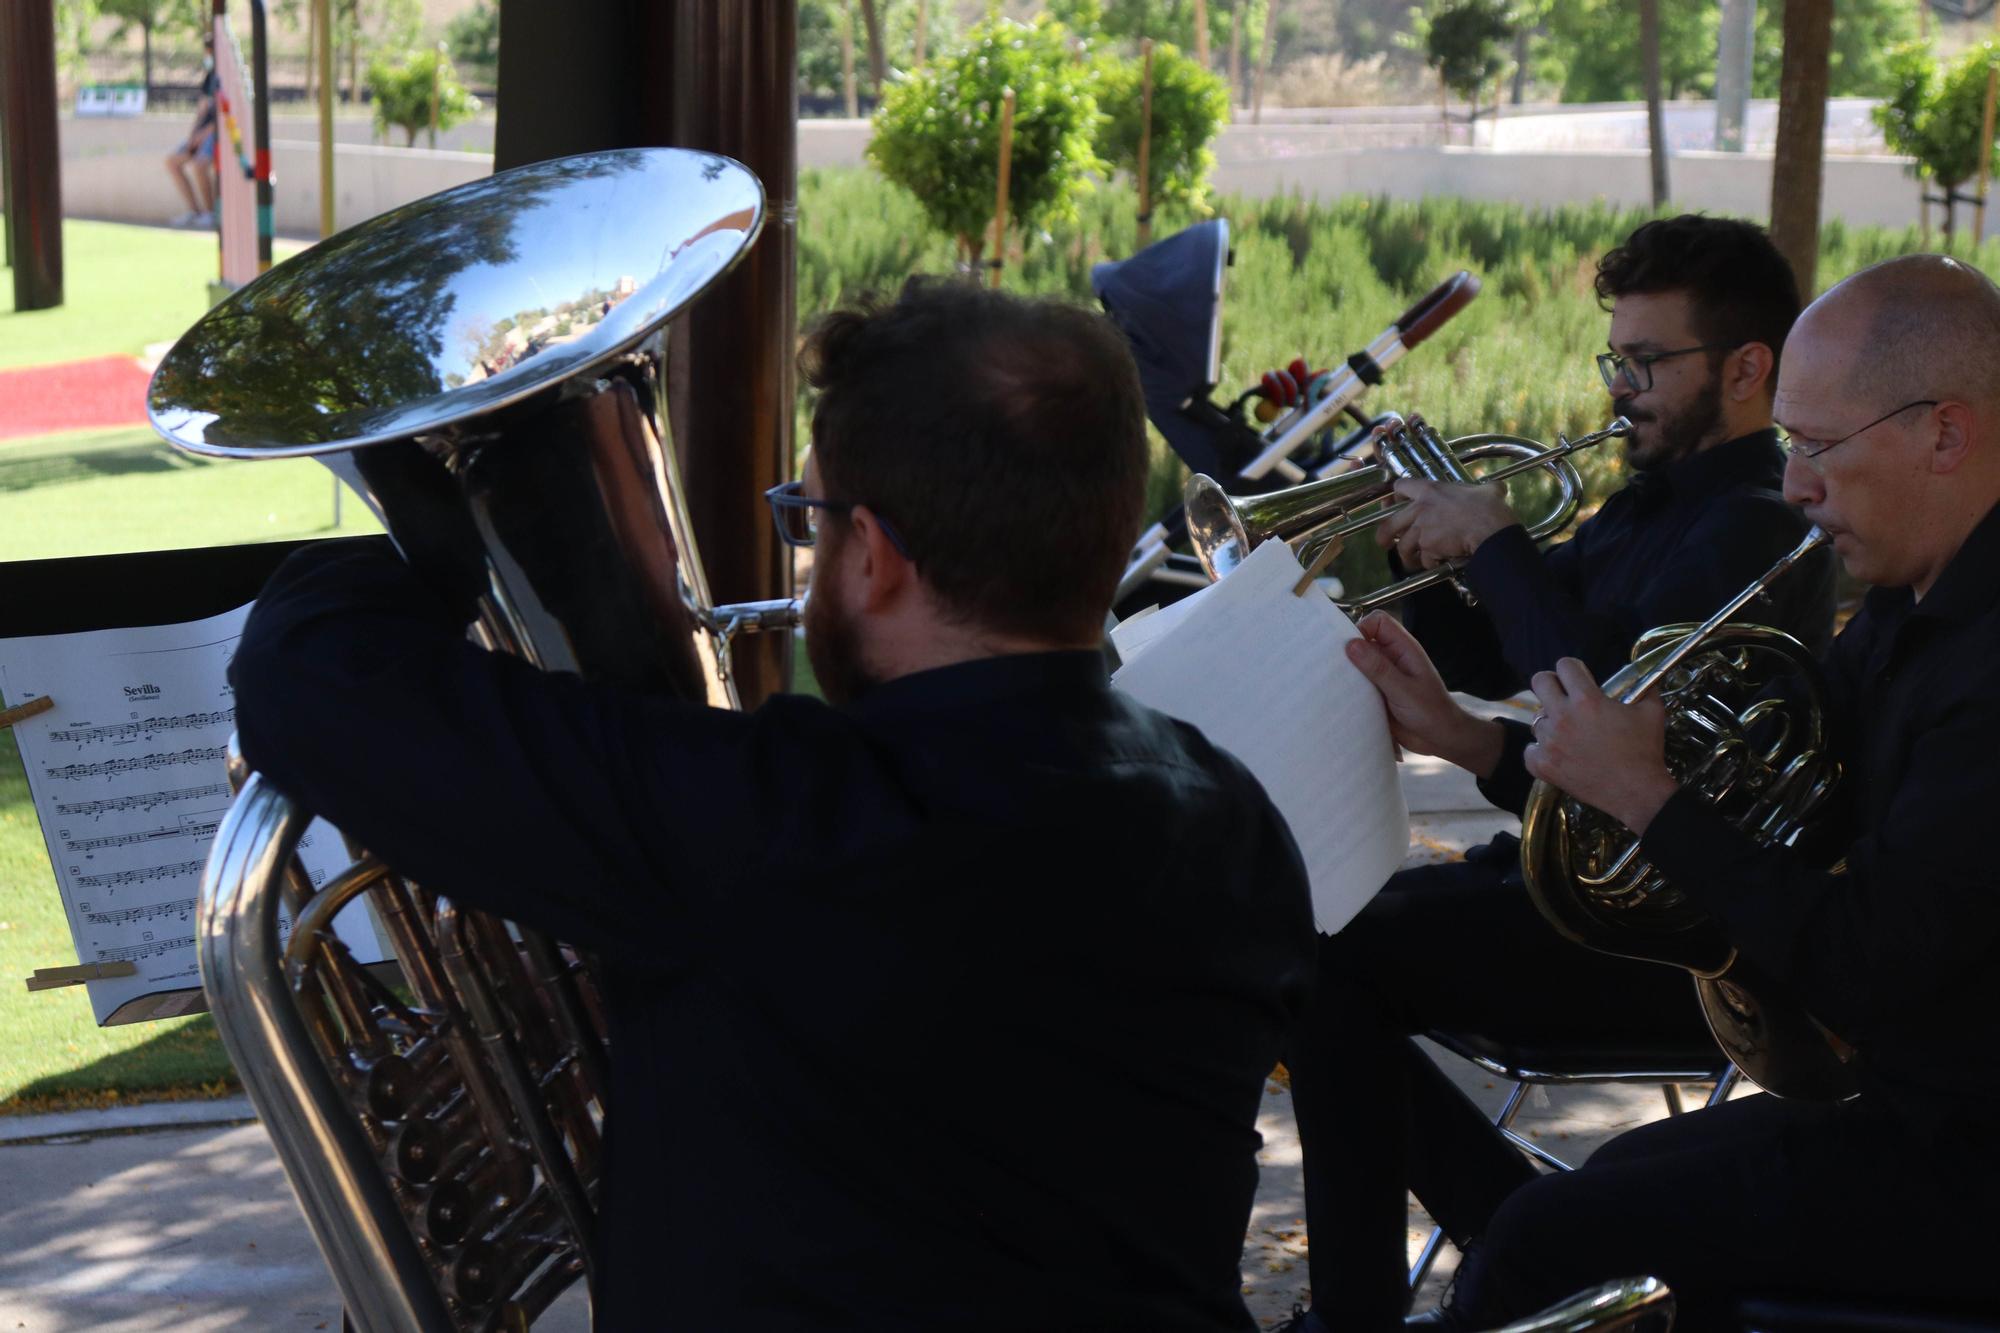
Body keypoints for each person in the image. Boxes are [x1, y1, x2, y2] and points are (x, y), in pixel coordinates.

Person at [228, 279, 1318, 1331]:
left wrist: (438, 534)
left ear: (875, 558)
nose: (809, 563)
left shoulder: (777, 824)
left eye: (812, 521)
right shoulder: (1229, 817)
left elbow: (307, 680)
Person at [1347, 253, 2000, 1327]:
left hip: (1962, 1160)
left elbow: (1856, 965)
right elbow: (1747, 815)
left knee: (1545, 1237)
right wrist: (1484, 747)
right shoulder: (1903, 605)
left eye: (1816, 447)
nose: (1793, 483)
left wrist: (1648, 798)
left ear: (1944, 432)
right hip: (1913, 1116)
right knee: (1582, 1208)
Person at [1280, 215, 1837, 1332]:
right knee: (1307, 937)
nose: (1617, 387)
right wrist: (1418, 546)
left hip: (1671, 945)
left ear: (1744, 369)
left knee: (1321, 968)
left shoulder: (1754, 521)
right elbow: (1514, 652)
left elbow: (1590, 691)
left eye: (1644, 363)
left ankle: (1406, 1289)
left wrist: (1492, 543)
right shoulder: (1646, 504)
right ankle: (1521, 1232)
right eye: (1611, 359)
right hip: (1582, 891)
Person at [164, 33, 219, 228]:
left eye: (208, 50)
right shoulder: (209, 77)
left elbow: (221, 114)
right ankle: (194, 211)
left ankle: (210, 213)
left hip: (216, 133)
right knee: (172, 162)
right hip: (201, 134)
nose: (207, 54)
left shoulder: (225, 76)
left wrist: (203, 136)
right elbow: (202, 109)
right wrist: (192, 136)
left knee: (199, 165)